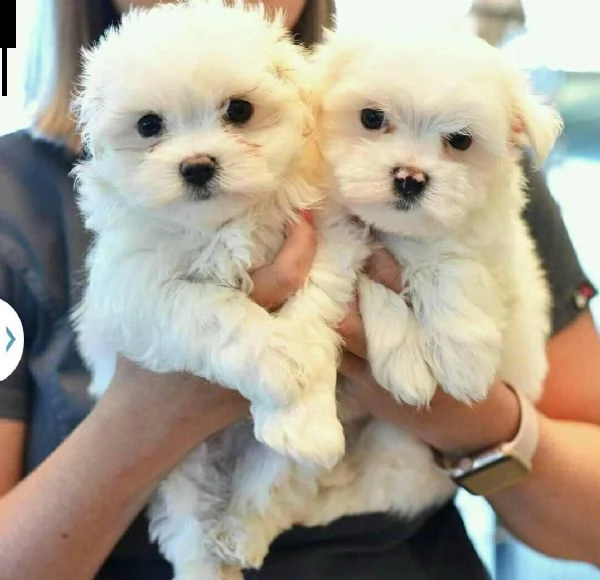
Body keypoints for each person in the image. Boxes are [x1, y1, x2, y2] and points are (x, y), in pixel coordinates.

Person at [0, 1, 598, 579]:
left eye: (237, 111)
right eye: (151, 126)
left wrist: (471, 422)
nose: (411, 161)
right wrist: (152, 413)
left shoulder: (476, 170)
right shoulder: (17, 201)